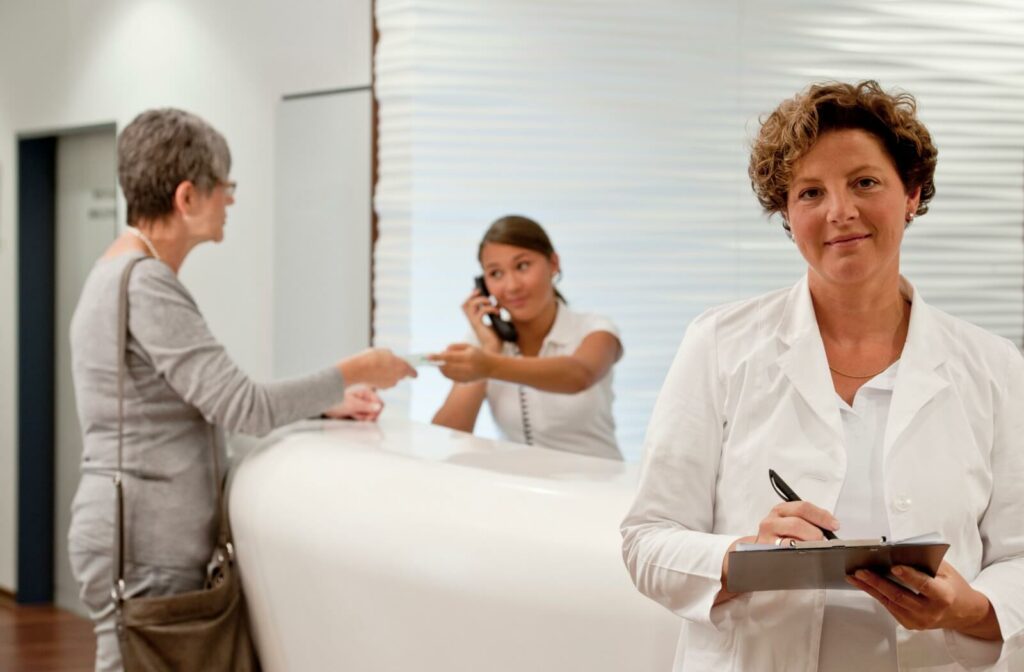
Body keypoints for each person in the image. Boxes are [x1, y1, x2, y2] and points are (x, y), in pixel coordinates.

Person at [621, 81, 1024, 671]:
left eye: (865, 182)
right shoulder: (718, 345)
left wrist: (971, 609)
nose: (841, 212)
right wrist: (745, 556)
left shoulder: (992, 365)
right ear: (787, 214)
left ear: (911, 193)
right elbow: (647, 539)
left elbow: (1018, 553)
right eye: (811, 192)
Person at [67, 108, 417, 671]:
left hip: (129, 532)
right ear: (188, 197)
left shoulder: (118, 272)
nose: (230, 199)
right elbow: (243, 406)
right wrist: (355, 369)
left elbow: (193, 403)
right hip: (142, 541)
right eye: (225, 187)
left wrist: (325, 403)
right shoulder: (148, 283)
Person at [430, 215, 624, 459]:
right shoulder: (486, 345)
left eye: (522, 266)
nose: (511, 286)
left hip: (599, 487)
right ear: (483, 285)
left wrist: (488, 365)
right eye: (496, 273)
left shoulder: (595, 329)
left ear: (553, 264)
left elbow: (578, 374)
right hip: (522, 492)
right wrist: (490, 347)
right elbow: (446, 437)